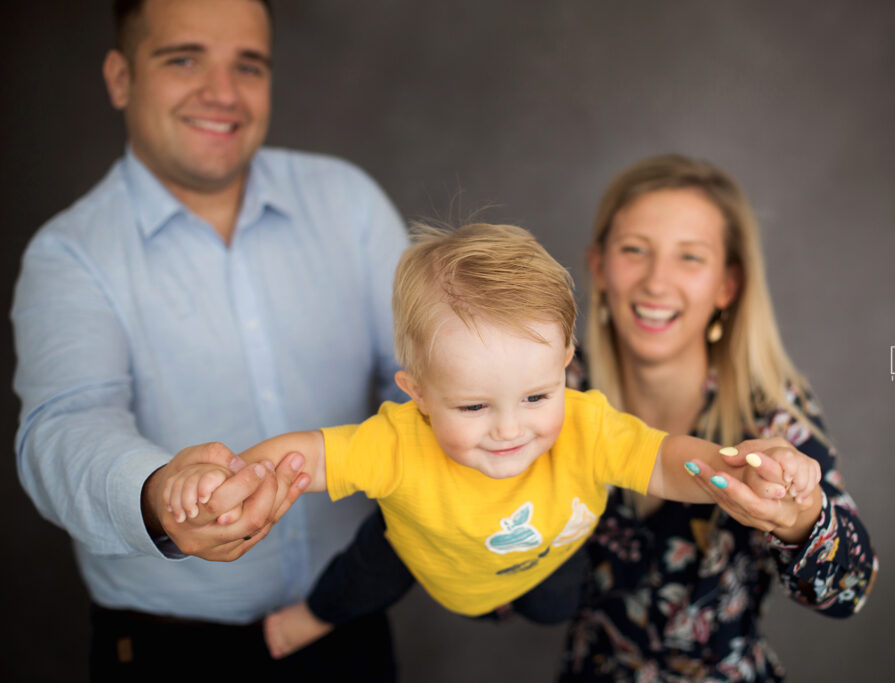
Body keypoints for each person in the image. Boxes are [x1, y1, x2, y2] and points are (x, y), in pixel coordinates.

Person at [163, 222, 823, 660]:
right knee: (359, 581)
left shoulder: (586, 425)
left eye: (536, 397)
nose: (510, 428)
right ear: (418, 394)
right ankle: (310, 617)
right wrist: (237, 476)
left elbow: (662, 459)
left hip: (546, 556)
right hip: (423, 550)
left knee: (557, 604)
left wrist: (732, 468)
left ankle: (520, 586)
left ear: (565, 363)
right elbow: (306, 456)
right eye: (474, 406)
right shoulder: (397, 442)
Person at [11, 0, 408, 680]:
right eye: (184, 59)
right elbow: (65, 427)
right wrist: (158, 493)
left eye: (248, 66)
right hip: (169, 655)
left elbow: (424, 374)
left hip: (348, 630)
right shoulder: (69, 254)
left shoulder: (349, 203)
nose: (223, 93)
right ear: (120, 78)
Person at [559, 155, 879, 682]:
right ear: (598, 266)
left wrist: (800, 516)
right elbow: (493, 585)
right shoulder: (555, 393)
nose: (656, 282)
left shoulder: (770, 408)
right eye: (635, 250)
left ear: (726, 286)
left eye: (690, 257)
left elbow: (851, 590)